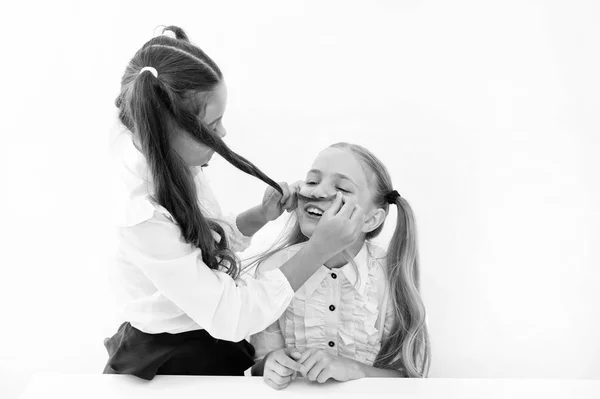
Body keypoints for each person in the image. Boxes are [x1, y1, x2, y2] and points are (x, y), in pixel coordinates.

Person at [103, 26, 365, 380]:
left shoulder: (177, 157)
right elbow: (230, 313)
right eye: (213, 124)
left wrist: (257, 218)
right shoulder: (140, 212)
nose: (223, 134)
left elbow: (199, 238)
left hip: (209, 336)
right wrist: (317, 250)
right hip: (167, 359)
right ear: (166, 130)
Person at [250, 143, 431, 389]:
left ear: (371, 219)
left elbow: (410, 379)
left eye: (342, 187)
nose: (316, 192)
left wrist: (355, 370)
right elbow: (260, 362)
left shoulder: (389, 275)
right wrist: (271, 363)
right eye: (312, 182)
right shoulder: (273, 270)